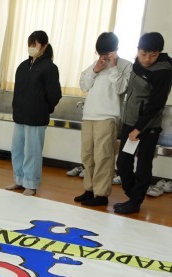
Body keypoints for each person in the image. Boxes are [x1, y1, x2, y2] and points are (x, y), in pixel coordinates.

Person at [115, 32, 172, 215]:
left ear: (159, 53)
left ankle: (135, 202)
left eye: (153, 55)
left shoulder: (163, 71)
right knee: (123, 163)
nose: (147, 59)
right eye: (143, 54)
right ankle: (133, 196)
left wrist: (138, 128)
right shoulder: (136, 64)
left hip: (148, 127)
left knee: (143, 166)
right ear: (137, 50)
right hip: (130, 121)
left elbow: (156, 104)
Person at [75, 32, 132, 207]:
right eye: (99, 53)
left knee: (103, 156)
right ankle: (89, 189)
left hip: (108, 117)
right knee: (87, 155)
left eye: (105, 54)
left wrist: (113, 67)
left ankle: (101, 194)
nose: (102, 57)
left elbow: (121, 89)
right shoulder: (96, 64)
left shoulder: (125, 65)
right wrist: (95, 71)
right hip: (89, 115)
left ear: (115, 50)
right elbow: (84, 86)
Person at [6, 31, 62, 196]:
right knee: (17, 150)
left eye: (34, 44)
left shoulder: (50, 68)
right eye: (29, 44)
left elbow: (55, 95)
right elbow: (18, 91)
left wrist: (44, 108)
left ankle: (31, 183)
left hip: (37, 118)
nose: (31, 48)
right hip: (20, 116)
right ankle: (19, 179)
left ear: (44, 46)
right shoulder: (23, 66)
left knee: (32, 152)